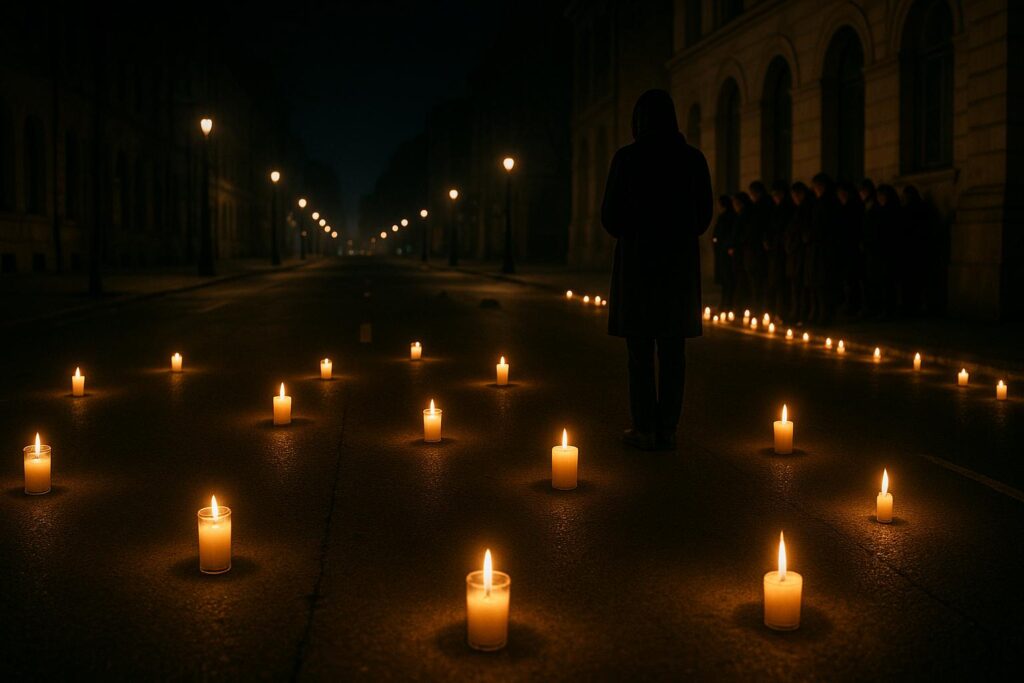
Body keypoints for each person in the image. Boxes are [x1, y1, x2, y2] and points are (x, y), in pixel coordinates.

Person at [601, 89, 713, 451]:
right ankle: (668, 428)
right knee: (673, 352)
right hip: (677, 270)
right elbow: (704, 215)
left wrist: (635, 230)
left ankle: (644, 427)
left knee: (640, 354)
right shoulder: (692, 160)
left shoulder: (627, 159)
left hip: (638, 267)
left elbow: (609, 216)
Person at [765, 180, 794, 317]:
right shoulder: (775, 209)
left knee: (781, 283)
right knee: (774, 283)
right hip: (774, 251)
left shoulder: (787, 208)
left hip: (782, 252)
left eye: (777, 195)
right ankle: (775, 311)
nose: (775, 198)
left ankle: (782, 311)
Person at [786, 182, 813, 323]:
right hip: (794, 255)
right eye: (793, 195)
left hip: (801, 256)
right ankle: (796, 312)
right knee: (795, 286)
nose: (795, 198)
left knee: (801, 287)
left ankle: (801, 314)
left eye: (797, 195)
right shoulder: (797, 210)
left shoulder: (806, 210)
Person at [711, 195, 736, 309]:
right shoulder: (724, 216)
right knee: (725, 279)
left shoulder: (728, 217)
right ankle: (725, 303)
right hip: (722, 251)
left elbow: (727, 233)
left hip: (725, 252)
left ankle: (727, 303)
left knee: (727, 279)